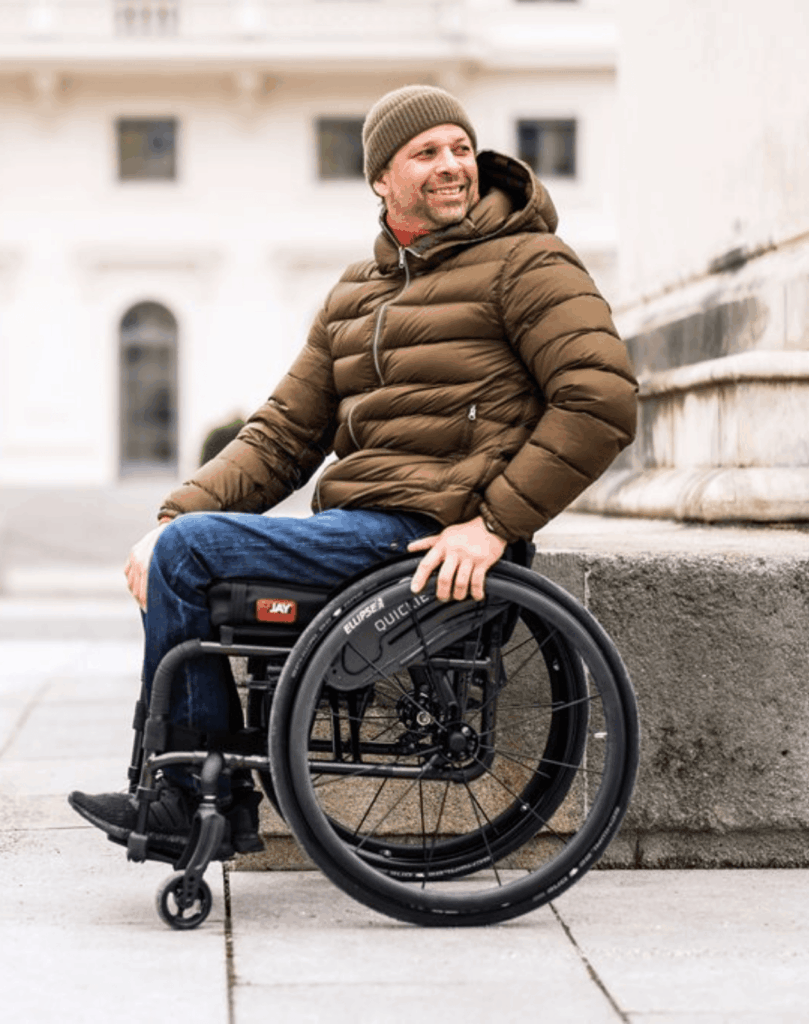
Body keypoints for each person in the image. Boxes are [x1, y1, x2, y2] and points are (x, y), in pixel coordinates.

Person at [69, 84, 638, 858]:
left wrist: (494, 524)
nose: (452, 165)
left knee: (190, 554)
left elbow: (601, 400)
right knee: (182, 546)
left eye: (461, 148)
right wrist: (175, 514)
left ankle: (197, 801)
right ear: (381, 178)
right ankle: (193, 793)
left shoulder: (527, 260)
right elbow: (282, 434)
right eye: (426, 152)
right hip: (359, 528)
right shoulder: (355, 293)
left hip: (427, 533)